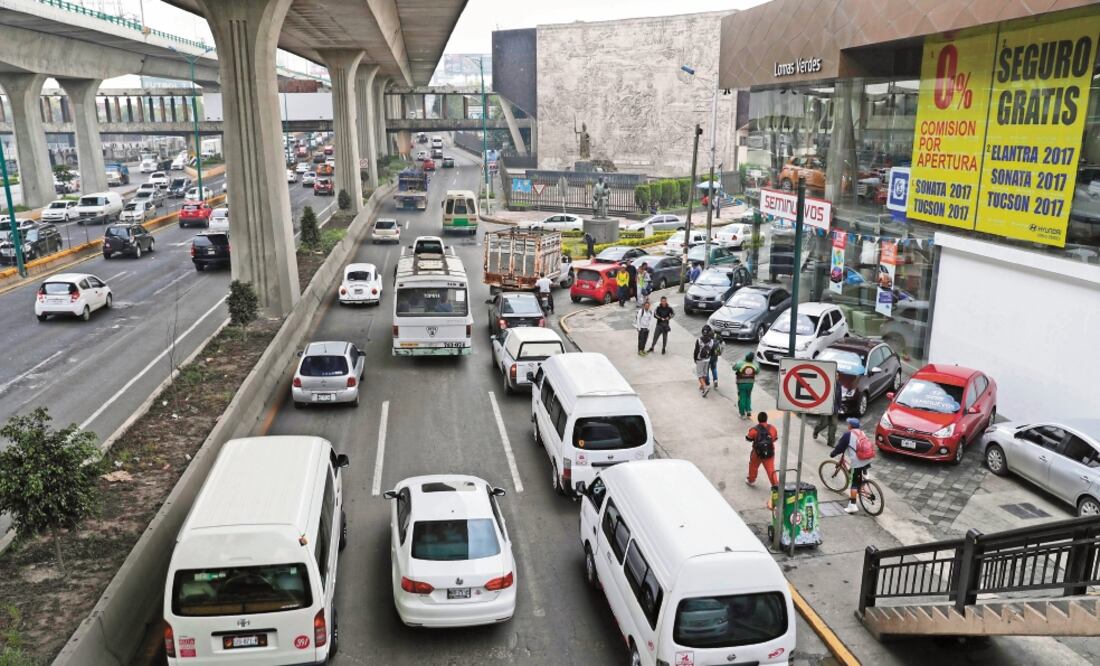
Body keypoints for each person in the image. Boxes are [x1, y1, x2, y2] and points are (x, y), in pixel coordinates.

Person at [830, 418, 874, 514]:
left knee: (854, 483)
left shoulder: (848, 435)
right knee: (857, 472)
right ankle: (865, 476)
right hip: (868, 458)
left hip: (858, 462)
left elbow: (840, 447)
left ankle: (852, 505)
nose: (847, 425)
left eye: (848, 424)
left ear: (850, 426)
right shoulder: (862, 433)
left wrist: (833, 454)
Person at [745, 411, 779, 487]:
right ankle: (775, 485)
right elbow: (775, 439)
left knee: (753, 466)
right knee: (770, 469)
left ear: (758, 419)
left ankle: (751, 480)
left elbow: (748, 438)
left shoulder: (754, 429)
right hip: (769, 453)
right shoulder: (772, 428)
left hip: (757, 453)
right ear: (766, 419)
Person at [732, 352, 759, 419]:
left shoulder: (740, 363)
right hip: (750, 384)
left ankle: (742, 414)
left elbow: (734, 368)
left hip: (741, 383)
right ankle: (748, 412)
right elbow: (757, 372)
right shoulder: (755, 365)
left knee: (742, 397)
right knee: (748, 396)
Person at [693, 325, 716, 397]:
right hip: (707, 359)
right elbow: (712, 352)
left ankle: (704, 386)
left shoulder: (699, 340)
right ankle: (702, 386)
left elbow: (696, 351)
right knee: (705, 373)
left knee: (699, 374)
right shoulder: (712, 341)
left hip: (700, 359)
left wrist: (695, 359)